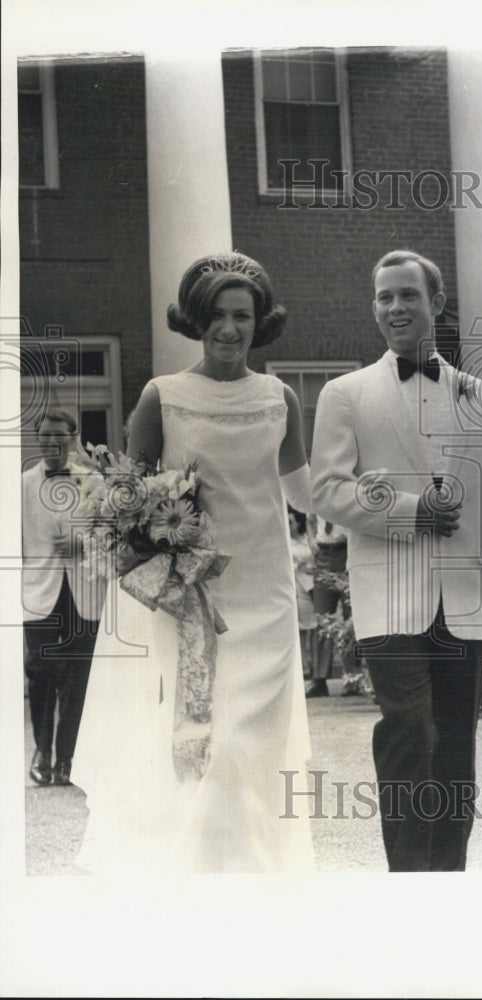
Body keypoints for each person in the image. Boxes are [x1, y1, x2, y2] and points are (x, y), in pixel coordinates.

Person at [72, 251, 315, 873]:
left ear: (261, 322)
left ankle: (256, 871)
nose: (229, 329)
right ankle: (196, 874)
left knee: (252, 738)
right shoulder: (164, 396)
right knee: (205, 733)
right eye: (216, 316)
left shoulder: (279, 397)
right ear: (196, 321)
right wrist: (155, 549)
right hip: (190, 597)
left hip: (266, 593)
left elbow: (306, 493)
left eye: (242, 316)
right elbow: (127, 496)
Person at [311, 248, 482, 872]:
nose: (394, 308)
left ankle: (449, 883)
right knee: (409, 728)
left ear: (436, 304)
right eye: (384, 297)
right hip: (389, 595)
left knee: (455, 746)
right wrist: (410, 510)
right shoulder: (345, 393)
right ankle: (408, 882)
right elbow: (327, 489)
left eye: (407, 295)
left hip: (464, 598)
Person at [22, 408, 104, 786]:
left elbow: (111, 535)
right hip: (39, 592)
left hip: (84, 591)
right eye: (45, 438)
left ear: (72, 439)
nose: (52, 443)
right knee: (40, 671)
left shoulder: (94, 482)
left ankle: (68, 758)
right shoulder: (21, 485)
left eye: (59, 437)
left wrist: (81, 542)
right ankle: (42, 750)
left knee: (77, 676)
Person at [304, 515, 361, 697]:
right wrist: (311, 539)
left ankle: (353, 678)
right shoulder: (316, 491)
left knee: (350, 617)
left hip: (346, 552)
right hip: (323, 554)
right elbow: (310, 519)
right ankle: (319, 679)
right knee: (322, 618)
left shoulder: (346, 491)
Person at [288, 507, 316, 679]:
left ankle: (315, 665)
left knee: (316, 626)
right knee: (302, 626)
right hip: (299, 585)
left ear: (299, 522)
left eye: (291, 522)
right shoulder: (287, 543)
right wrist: (299, 567)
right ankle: (304, 666)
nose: (289, 526)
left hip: (314, 583)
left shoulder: (308, 539)